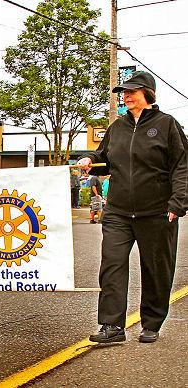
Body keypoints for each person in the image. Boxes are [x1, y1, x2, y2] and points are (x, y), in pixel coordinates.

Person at [78, 71, 187, 344]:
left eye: (130, 92)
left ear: (147, 94)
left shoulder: (167, 125)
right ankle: (112, 326)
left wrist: (178, 203)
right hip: (118, 211)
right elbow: (102, 155)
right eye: (123, 93)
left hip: (158, 211)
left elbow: (182, 167)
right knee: (112, 265)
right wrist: (89, 158)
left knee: (156, 268)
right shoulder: (118, 127)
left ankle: (151, 322)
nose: (125, 97)